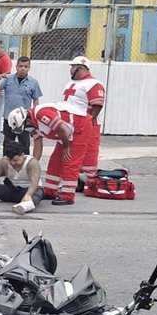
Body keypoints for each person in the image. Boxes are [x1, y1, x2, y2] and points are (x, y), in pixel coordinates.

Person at [14, 102, 89, 206]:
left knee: (70, 162)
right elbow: (38, 145)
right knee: (55, 161)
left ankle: (68, 196)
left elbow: (61, 128)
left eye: (24, 126)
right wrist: (33, 164)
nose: (26, 129)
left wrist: (66, 147)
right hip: (66, 135)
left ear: (26, 120)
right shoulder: (33, 125)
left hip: (80, 127)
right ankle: (50, 191)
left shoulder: (41, 114)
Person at [62, 56, 106, 191]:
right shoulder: (72, 83)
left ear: (79, 68)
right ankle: (75, 179)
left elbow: (97, 104)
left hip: (87, 123)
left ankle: (89, 180)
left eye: (72, 67)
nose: (70, 70)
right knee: (73, 151)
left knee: (90, 151)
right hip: (72, 123)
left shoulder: (93, 83)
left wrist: (91, 119)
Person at [0, 142, 41, 207]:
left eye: (15, 160)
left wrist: (28, 195)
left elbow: (34, 182)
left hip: (29, 190)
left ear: (22, 155)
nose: (12, 163)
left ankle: (26, 206)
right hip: (13, 190)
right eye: (10, 160)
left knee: (37, 193)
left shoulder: (32, 163)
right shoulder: (3, 162)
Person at [1, 56, 42, 154]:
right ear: (16, 67)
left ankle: (25, 166)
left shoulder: (33, 82)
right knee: (8, 143)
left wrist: (34, 117)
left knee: (24, 144)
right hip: (9, 117)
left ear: (29, 68)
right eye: (20, 66)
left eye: (25, 66)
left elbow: (36, 100)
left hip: (24, 118)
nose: (23, 68)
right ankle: (6, 165)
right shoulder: (8, 79)